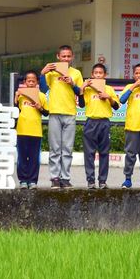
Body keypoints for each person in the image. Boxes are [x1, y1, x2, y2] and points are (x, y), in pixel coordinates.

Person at [41, 45, 84, 188]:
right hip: (54, 112)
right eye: (63, 56)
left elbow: (80, 92)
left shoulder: (76, 73)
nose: (66, 59)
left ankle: (65, 178)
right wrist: (42, 73)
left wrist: (72, 83)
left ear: (72, 58)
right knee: (55, 148)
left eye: (68, 56)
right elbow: (42, 89)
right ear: (57, 57)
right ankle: (54, 177)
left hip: (70, 113)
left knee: (67, 148)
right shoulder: (51, 73)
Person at [78, 62, 120, 189]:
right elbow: (81, 104)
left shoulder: (109, 89)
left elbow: (117, 106)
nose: (97, 75)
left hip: (104, 123)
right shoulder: (88, 89)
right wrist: (82, 88)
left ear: (105, 75)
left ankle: (102, 181)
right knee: (89, 153)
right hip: (90, 122)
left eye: (100, 73)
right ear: (92, 75)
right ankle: (90, 181)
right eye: (95, 73)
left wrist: (109, 98)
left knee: (104, 153)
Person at [14, 70, 47, 189]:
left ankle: (32, 180)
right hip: (22, 130)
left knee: (34, 158)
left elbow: (46, 113)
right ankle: (23, 180)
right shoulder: (21, 95)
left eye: (33, 81)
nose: (31, 83)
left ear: (37, 82)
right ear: (25, 82)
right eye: (29, 81)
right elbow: (15, 110)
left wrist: (40, 107)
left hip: (36, 132)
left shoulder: (42, 96)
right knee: (22, 156)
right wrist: (16, 97)